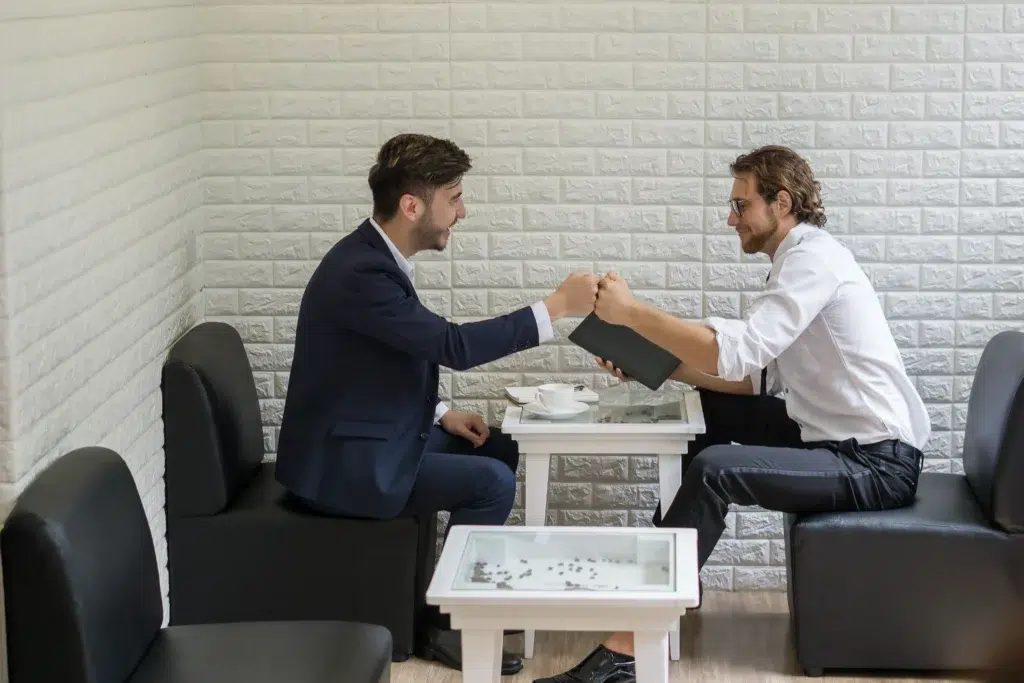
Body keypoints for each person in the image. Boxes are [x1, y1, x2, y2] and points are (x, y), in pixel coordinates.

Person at [536, 145, 931, 683]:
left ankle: (627, 650)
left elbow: (737, 352)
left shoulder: (814, 259)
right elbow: (755, 379)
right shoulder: (798, 261)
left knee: (716, 469)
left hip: (874, 463)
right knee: (711, 410)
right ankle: (674, 574)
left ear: (782, 203)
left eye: (741, 205)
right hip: (830, 436)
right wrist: (651, 363)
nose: (730, 218)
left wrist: (630, 313)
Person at [274, 132, 600, 676]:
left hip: (368, 433)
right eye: (454, 197)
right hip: (344, 469)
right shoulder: (362, 273)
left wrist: (440, 411)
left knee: (494, 445)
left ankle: (467, 600)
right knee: (492, 482)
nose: (462, 212)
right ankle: (446, 628)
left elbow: (387, 358)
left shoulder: (372, 257)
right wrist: (555, 307)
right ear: (412, 205)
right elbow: (452, 346)